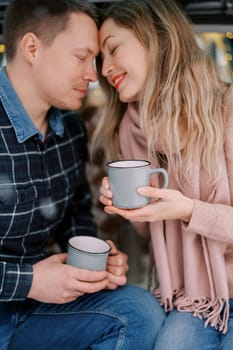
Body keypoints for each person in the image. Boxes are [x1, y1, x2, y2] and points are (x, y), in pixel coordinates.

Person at [0, 1, 166, 349]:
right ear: (32, 48)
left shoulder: (70, 128)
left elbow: (75, 212)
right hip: (23, 291)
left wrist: (95, 261)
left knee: (140, 310)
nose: (94, 75)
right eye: (82, 57)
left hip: (34, 310)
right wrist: (28, 281)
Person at [93, 0, 233, 348]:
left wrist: (188, 210)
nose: (105, 68)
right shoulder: (127, 129)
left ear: (155, 37)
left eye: (112, 50)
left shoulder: (226, 109)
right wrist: (127, 207)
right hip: (190, 297)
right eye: (100, 59)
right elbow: (150, 236)